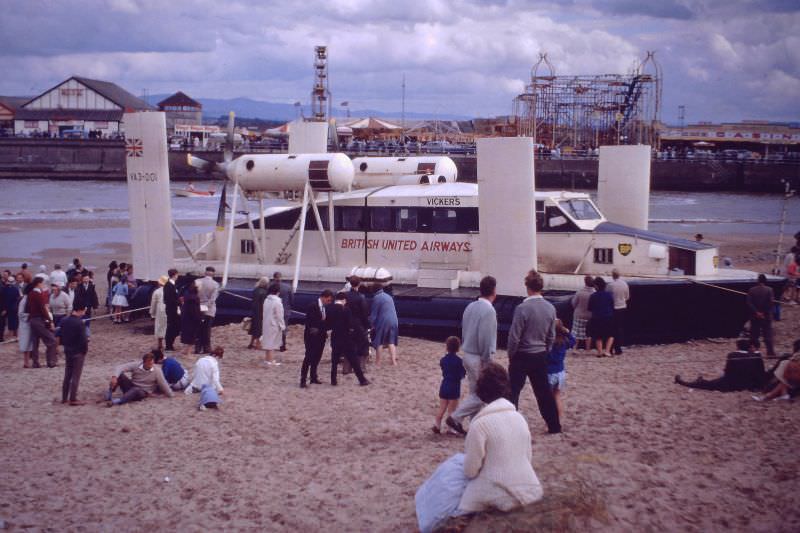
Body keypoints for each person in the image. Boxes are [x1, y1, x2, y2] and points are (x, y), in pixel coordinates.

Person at [457, 362, 543, 513]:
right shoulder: (519, 418)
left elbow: (470, 470)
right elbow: (527, 457)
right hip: (531, 488)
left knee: (460, 509)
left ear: (481, 390)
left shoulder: (480, 424)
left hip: (497, 490)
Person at [506, 269, 561, 434]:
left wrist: (511, 355)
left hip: (522, 354)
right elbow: (551, 335)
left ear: (527, 287)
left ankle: (510, 425)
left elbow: (514, 336)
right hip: (540, 354)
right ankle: (554, 426)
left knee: (513, 391)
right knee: (544, 392)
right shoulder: (550, 308)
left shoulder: (522, 308)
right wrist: (546, 350)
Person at [446, 276, 497, 436]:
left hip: (467, 353)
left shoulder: (470, 307)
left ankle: (475, 427)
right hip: (478, 356)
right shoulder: (489, 310)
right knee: (483, 393)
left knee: (475, 392)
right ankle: (455, 417)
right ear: (494, 291)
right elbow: (486, 338)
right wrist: (487, 360)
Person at [675, 339, 766, 392]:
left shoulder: (732, 355)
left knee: (709, 385)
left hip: (732, 383)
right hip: (746, 383)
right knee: (712, 382)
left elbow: (728, 371)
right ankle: (701, 381)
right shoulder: (755, 356)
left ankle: (684, 382)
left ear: (738, 347)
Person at [327, 292, 369, 386]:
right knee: (353, 359)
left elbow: (328, 323)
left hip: (335, 337)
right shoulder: (346, 310)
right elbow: (350, 325)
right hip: (346, 338)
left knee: (334, 360)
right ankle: (362, 379)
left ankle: (333, 379)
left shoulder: (329, 308)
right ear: (344, 300)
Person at [105, 352, 174, 406]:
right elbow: (120, 367)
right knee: (120, 375)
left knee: (136, 389)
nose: (150, 364)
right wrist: (114, 377)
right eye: (149, 362)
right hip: (131, 386)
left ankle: (117, 401)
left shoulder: (157, 371)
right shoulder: (136, 365)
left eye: (152, 362)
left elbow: (163, 383)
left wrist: (170, 394)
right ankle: (110, 393)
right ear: (144, 362)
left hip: (142, 392)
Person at [300, 289, 333, 388]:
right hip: (312, 336)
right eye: (328, 300)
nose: (329, 302)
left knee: (317, 357)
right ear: (323, 297)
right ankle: (303, 379)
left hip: (321, 336)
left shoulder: (324, 307)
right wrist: (321, 326)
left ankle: (313, 376)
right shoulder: (313, 306)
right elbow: (311, 321)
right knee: (308, 357)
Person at [434, 336, 466, 434]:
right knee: (452, 410)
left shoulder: (443, 360)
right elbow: (462, 374)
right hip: (454, 386)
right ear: (458, 348)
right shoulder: (460, 361)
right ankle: (450, 428)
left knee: (442, 408)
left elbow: (443, 369)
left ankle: (437, 425)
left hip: (444, 385)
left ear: (447, 347)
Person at [26, 276, 58, 368]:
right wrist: (50, 320)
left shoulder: (31, 294)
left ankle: (35, 363)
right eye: (42, 283)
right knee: (51, 340)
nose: (43, 285)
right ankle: (50, 362)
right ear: (38, 284)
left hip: (33, 320)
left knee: (35, 342)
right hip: (38, 319)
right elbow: (43, 309)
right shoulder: (38, 294)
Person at [60, 305, 88, 405]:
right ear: (79, 310)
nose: (84, 313)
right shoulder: (80, 323)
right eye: (84, 310)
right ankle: (73, 398)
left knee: (67, 375)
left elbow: (60, 335)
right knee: (76, 376)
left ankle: (64, 398)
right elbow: (83, 340)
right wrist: (84, 351)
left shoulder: (64, 320)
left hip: (68, 350)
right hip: (78, 352)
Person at [547, 319, 575, 420]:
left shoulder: (548, 343)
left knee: (548, 399)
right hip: (560, 372)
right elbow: (573, 341)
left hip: (549, 373)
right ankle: (559, 418)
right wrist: (568, 333)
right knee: (557, 396)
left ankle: (551, 419)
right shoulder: (564, 342)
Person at [344, 276, 371, 374]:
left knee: (348, 345)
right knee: (363, 345)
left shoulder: (345, 295)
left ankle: (346, 368)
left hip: (347, 324)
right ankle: (361, 367)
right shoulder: (361, 297)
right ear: (359, 284)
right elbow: (364, 313)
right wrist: (368, 325)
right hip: (358, 324)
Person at [746, 274, 775, 356]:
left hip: (754, 316)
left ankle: (752, 353)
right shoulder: (770, 290)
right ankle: (770, 353)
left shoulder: (751, 290)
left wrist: (757, 312)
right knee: (767, 334)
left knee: (754, 335)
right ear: (765, 281)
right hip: (766, 316)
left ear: (758, 281)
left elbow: (749, 303)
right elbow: (770, 303)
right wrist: (763, 313)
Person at [370, 284, 399, 365]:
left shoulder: (376, 298)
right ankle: (393, 361)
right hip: (394, 320)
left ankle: (378, 362)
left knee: (379, 341)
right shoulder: (389, 296)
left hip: (383, 321)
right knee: (391, 341)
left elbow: (374, 314)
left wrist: (371, 324)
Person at [588, 276, 615, 357]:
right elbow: (612, 305)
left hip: (596, 317)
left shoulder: (593, 296)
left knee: (598, 336)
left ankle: (599, 352)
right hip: (608, 316)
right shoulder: (609, 295)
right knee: (610, 335)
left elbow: (589, 308)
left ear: (596, 286)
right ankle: (607, 351)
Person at [195, 266, 220, 354]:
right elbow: (213, 299)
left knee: (198, 328)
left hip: (198, 307)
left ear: (205, 273)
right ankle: (206, 347)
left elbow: (195, 294)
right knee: (207, 329)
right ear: (213, 274)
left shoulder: (198, 281)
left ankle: (197, 347)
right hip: (209, 309)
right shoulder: (215, 284)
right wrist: (206, 306)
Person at [261, 283, 286, 365]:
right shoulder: (277, 302)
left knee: (268, 342)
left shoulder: (266, 300)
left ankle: (267, 359)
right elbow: (280, 315)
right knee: (272, 343)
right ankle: (271, 360)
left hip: (266, 322)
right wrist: (282, 326)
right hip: (274, 324)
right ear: (278, 292)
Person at [606, 269, 630, 355]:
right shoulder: (624, 284)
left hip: (613, 308)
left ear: (612, 275)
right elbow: (627, 297)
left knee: (612, 329)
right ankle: (618, 347)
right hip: (622, 307)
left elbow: (607, 297)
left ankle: (611, 347)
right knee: (619, 328)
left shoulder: (610, 285)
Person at [570, 275, 594, 351]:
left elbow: (573, 303)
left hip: (579, 315)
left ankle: (574, 348)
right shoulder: (594, 293)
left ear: (585, 282)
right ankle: (587, 349)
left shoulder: (579, 292)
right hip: (589, 316)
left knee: (576, 333)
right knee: (588, 333)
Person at [18, 283, 38, 368]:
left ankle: (28, 361)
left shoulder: (29, 299)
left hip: (30, 323)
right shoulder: (24, 300)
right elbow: (20, 313)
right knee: (26, 343)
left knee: (30, 343)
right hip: (25, 324)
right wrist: (30, 316)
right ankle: (26, 362)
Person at [272, 272, 293, 351]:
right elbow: (292, 299)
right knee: (283, 327)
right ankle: (283, 345)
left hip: (274, 311)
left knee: (273, 327)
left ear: (274, 278)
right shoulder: (287, 287)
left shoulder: (270, 286)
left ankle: (273, 345)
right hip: (285, 310)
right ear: (281, 277)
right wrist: (289, 307)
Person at [180, 283, 203, 357]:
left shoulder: (186, 297)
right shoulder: (195, 298)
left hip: (185, 318)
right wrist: (200, 318)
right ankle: (188, 353)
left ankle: (185, 350)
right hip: (193, 319)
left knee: (185, 334)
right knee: (192, 336)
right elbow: (196, 310)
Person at [248, 277, 269, 350]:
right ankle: (258, 344)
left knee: (254, 328)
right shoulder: (264, 292)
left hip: (255, 311)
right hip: (261, 312)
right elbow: (264, 303)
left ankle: (251, 343)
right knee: (259, 329)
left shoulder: (256, 290)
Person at [149, 275, 168, 351]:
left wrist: (152, 312)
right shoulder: (173, 290)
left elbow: (153, 303)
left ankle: (160, 344)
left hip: (160, 311)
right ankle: (168, 343)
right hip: (169, 310)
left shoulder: (156, 292)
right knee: (168, 327)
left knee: (159, 327)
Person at [164, 268, 181, 351]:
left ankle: (170, 344)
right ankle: (169, 345)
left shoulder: (172, 285)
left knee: (174, 326)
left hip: (173, 309)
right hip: (171, 310)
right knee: (171, 327)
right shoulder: (168, 285)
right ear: (174, 275)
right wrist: (179, 301)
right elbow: (169, 299)